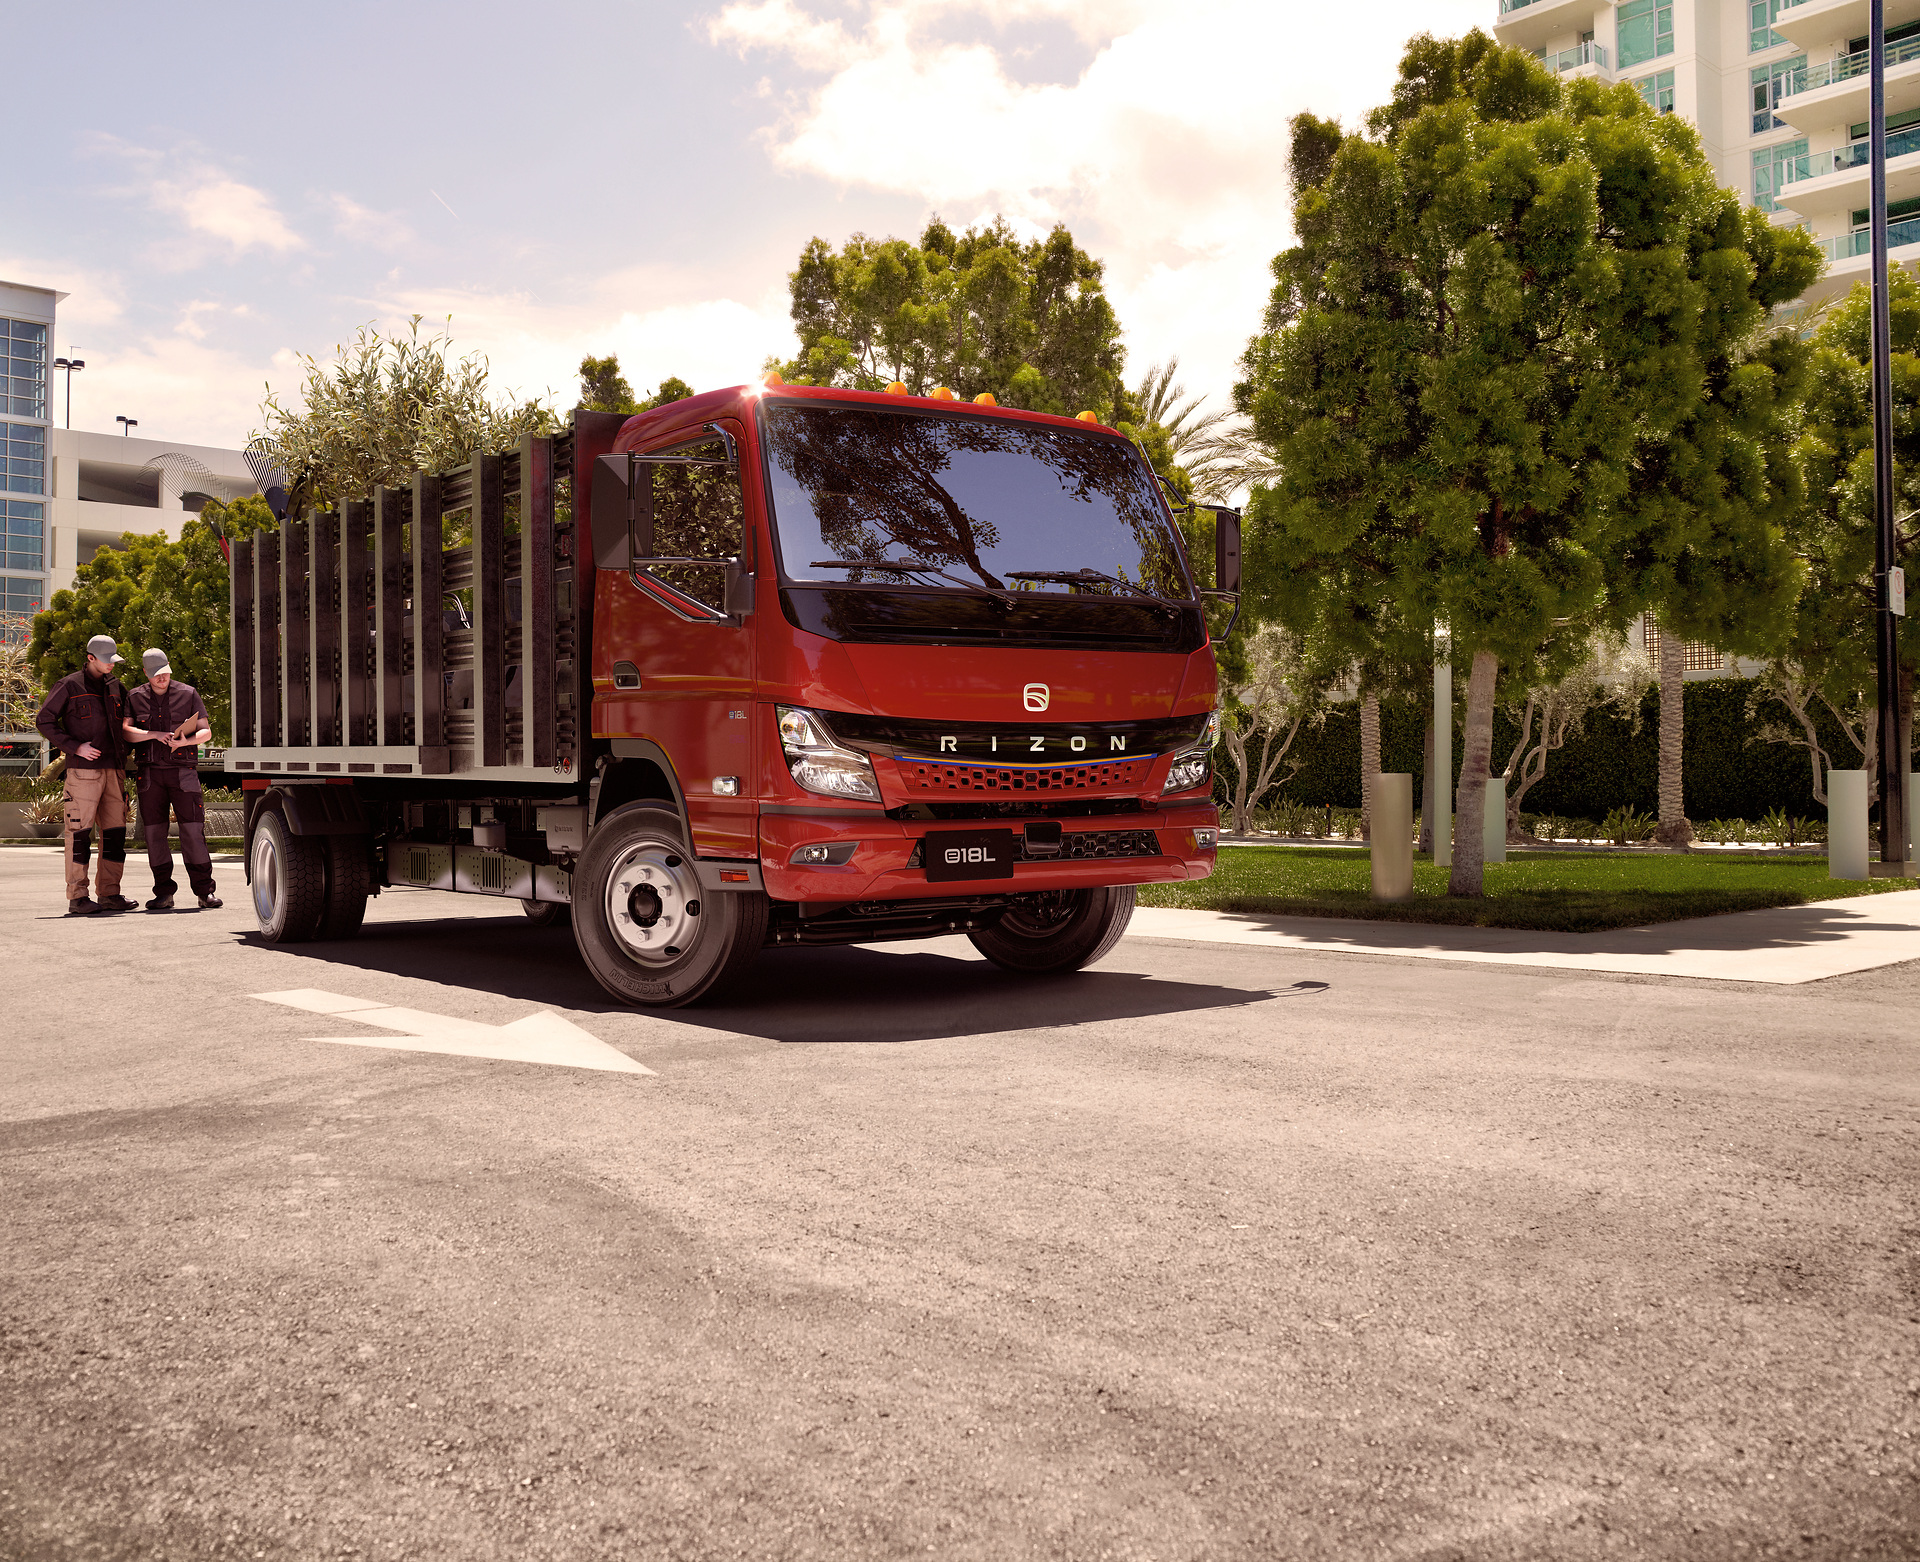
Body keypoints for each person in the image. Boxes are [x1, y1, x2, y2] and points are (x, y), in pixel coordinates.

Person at [35, 634, 138, 916]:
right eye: (106, 661)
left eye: (113, 661)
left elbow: (131, 722)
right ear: (90, 658)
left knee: (115, 835)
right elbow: (43, 720)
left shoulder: (118, 687)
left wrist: (126, 751)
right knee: (79, 834)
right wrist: (75, 747)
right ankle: (78, 897)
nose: (111, 666)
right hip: (83, 773)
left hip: (115, 771)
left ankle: (110, 894)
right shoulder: (68, 685)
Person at [123, 647, 221, 911]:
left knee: (192, 832)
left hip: (183, 773)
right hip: (150, 774)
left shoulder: (188, 693)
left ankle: (205, 892)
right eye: (155, 675)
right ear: (145, 673)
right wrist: (154, 734)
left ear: (169, 668)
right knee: (155, 836)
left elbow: (205, 732)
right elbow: (127, 732)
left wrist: (184, 742)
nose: (161, 678)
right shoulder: (134, 696)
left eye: (164, 673)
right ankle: (164, 894)